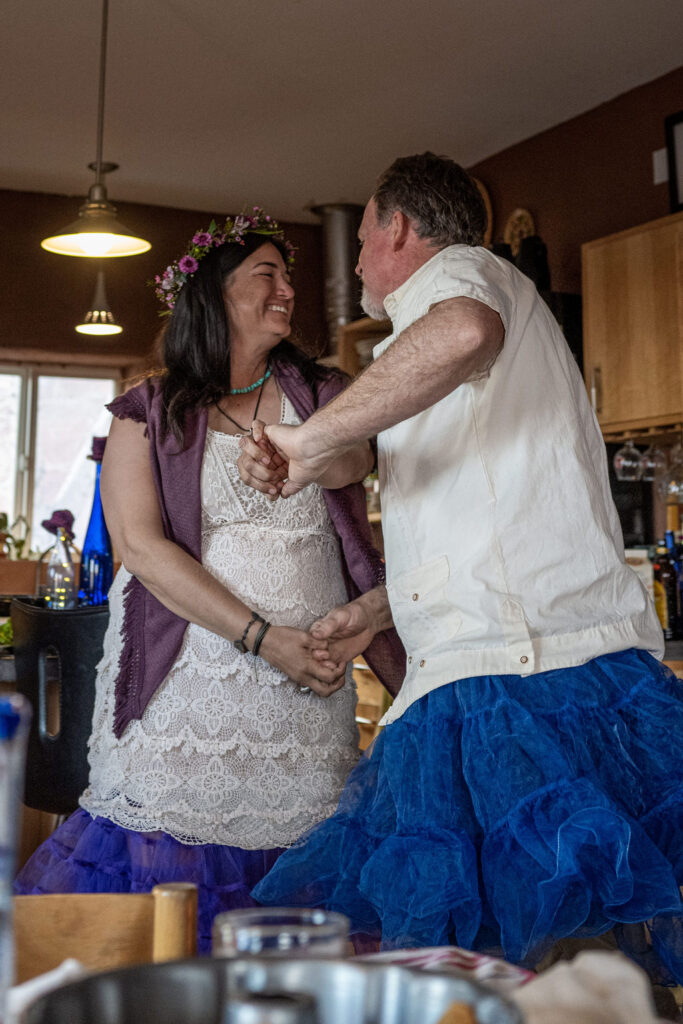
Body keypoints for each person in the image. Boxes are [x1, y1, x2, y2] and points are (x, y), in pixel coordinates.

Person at [251, 154, 683, 984]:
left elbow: (464, 331)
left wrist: (309, 438)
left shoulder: (458, 277)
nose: (356, 262)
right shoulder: (431, 340)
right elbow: (485, 519)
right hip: (514, 663)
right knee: (547, 965)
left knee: (537, 969)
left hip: (520, 681)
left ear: (399, 229)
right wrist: (375, 611)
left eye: (362, 239)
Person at [14, 208, 404, 951]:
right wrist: (262, 637)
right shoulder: (149, 407)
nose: (288, 289)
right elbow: (141, 548)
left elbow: (358, 460)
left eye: (288, 275)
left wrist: (309, 453)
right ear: (214, 293)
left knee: (303, 879)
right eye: (267, 273)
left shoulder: (324, 392)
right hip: (185, 691)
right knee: (168, 879)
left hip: (304, 692)